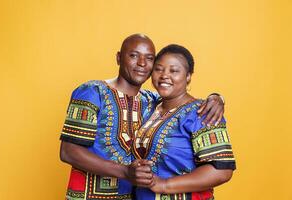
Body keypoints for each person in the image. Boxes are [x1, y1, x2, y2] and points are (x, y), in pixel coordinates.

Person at [59, 34, 225, 200]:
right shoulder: (92, 92)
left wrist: (216, 98)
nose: (142, 63)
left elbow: (182, 101)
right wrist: (124, 171)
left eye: (149, 58)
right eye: (134, 55)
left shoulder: (151, 100)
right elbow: (68, 151)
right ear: (118, 58)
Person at [131, 44, 236, 200]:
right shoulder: (149, 104)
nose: (164, 75)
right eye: (158, 69)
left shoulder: (203, 113)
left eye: (174, 71)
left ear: (188, 76)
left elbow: (221, 171)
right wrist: (218, 96)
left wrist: (165, 184)